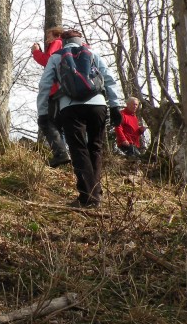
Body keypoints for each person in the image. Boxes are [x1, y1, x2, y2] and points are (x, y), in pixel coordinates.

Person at [37, 29, 123, 208]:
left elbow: (45, 85)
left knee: (78, 149)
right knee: (96, 148)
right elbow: (109, 78)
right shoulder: (92, 53)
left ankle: (88, 197)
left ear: (63, 41)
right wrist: (115, 106)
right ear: (80, 39)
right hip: (98, 105)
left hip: (70, 107)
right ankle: (95, 194)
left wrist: (43, 113)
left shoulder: (57, 56)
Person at [31, 26, 70, 167]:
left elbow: (48, 60)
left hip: (57, 91)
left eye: (49, 36)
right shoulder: (67, 47)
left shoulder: (57, 43)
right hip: (67, 90)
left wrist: (35, 52)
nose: (47, 40)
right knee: (62, 123)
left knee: (50, 122)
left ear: (56, 35)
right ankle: (66, 155)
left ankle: (61, 154)